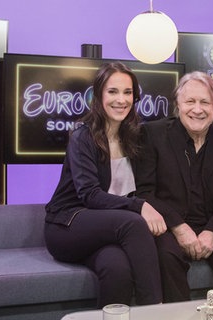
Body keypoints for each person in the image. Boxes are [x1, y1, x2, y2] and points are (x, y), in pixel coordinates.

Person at [44, 62, 166, 308]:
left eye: (128, 92)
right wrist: (139, 206)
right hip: (68, 225)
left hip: (108, 231)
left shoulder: (134, 137)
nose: (121, 99)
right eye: (113, 91)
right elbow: (89, 195)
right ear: (99, 95)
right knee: (132, 222)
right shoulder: (83, 137)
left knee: (117, 269)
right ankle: (155, 311)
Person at [135, 71, 213, 302]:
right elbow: (145, 192)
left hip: (210, 224)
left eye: (205, 102)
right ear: (178, 105)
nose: (197, 109)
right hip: (168, 226)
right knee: (166, 257)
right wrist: (179, 228)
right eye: (190, 101)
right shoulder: (152, 134)